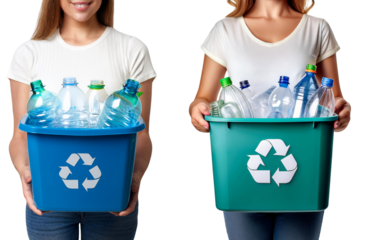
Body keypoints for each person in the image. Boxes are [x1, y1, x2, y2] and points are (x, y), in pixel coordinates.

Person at [187, 0, 352, 239]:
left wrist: (343, 111)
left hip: (305, 167)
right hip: (240, 165)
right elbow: (202, 97)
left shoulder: (318, 28)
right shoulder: (224, 29)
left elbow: (333, 98)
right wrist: (198, 109)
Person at [6, 0, 158, 239]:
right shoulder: (28, 52)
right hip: (49, 196)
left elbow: (142, 134)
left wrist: (135, 178)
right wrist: (24, 171)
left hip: (111, 193)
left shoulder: (132, 48)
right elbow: (19, 135)